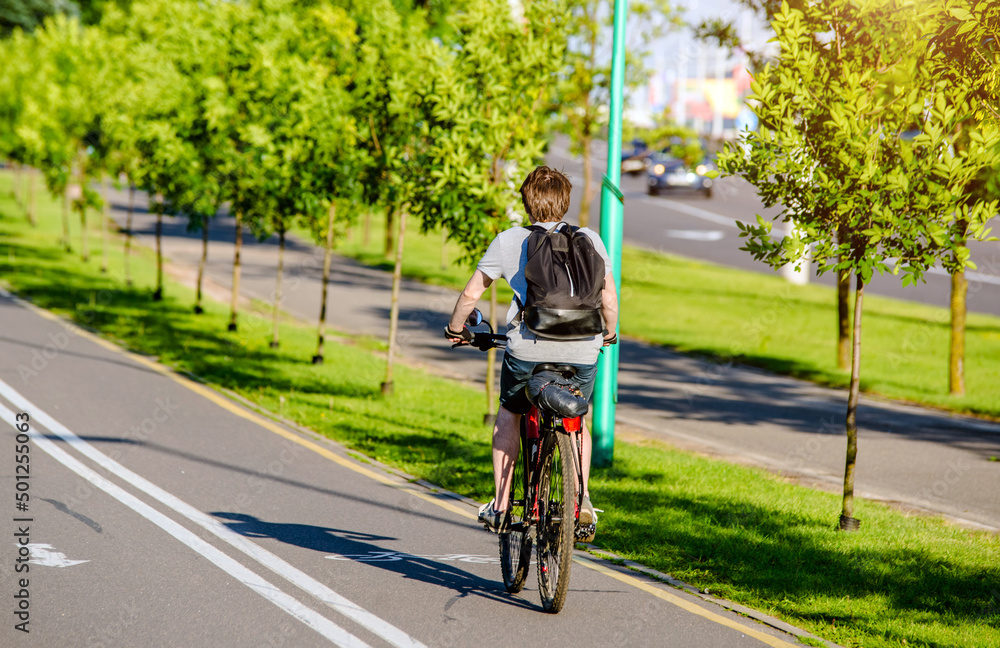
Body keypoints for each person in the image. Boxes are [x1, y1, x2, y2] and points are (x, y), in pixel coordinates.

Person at [444, 165, 619, 537]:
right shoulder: (590, 238)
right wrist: (608, 334)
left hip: (528, 349)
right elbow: (609, 297)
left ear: (527, 201)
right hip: (583, 349)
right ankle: (582, 500)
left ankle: (502, 505)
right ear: (565, 202)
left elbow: (471, 294)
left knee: (510, 412)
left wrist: (456, 329)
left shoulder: (509, 240)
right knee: (577, 420)